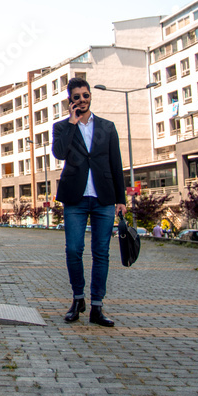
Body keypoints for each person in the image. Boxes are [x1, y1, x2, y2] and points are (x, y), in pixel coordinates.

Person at [51, 78, 126, 327]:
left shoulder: (107, 126)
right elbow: (59, 153)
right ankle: (78, 299)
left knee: (101, 253)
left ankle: (97, 306)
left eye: (85, 95)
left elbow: (116, 164)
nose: (82, 100)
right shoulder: (62, 127)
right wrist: (72, 123)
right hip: (75, 197)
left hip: (104, 198)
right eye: (76, 97)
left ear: (90, 96)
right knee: (73, 250)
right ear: (69, 101)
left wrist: (121, 199)